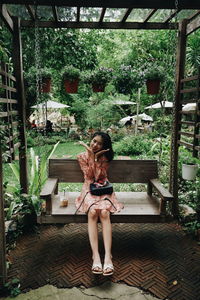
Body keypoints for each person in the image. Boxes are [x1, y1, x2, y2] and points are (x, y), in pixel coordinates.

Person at [75, 132, 123, 276]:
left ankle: (108, 256)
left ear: (104, 146)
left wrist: (96, 159)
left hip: (103, 188)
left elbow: (100, 177)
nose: (95, 145)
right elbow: (89, 177)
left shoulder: (105, 157)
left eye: (99, 143)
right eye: (94, 141)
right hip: (89, 189)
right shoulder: (81, 156)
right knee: (92, 212)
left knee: (104, 212)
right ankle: (95, 256)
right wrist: (91, 157)